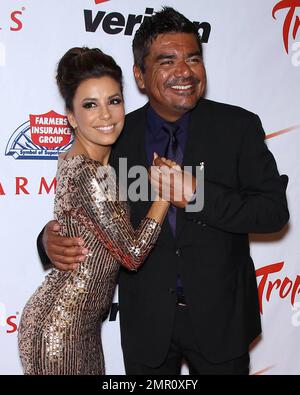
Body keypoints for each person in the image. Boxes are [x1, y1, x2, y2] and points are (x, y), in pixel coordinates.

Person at [37, 8, 289, 375]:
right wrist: (47, 240)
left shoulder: (238, 127)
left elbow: (273, 212)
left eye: (193, 58)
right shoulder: (115, 138)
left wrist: (198, 195)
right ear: (139, 75)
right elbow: (87, 204)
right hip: (146, 326)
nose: (184, 71)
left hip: (222, 323)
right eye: (167, 61)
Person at [18, 46, 176, 375]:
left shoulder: (79, 159)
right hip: (62, 331)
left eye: (113, 101)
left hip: (76, 323)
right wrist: (163, 196)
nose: (105, 115)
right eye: (90, 104)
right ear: (72, 117)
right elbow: (132, 254)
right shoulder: (90, 172)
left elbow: (81, 225)